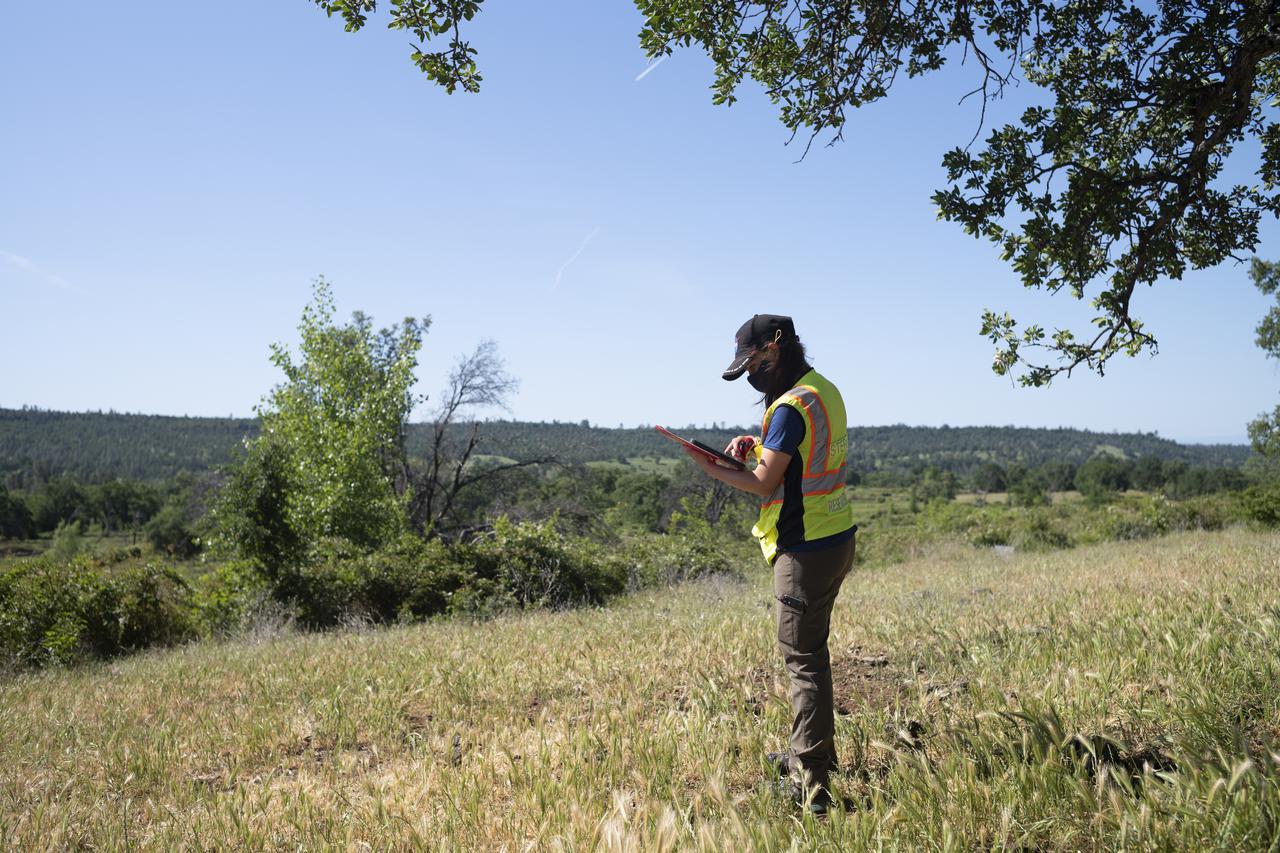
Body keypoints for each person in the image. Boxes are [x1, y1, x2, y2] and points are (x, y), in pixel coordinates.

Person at [681, 313, 856, 815]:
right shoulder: (821, 391)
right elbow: (801, 459)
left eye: (751, 364)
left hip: (805, 549)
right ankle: (815, 753)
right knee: (813, 657)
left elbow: (762, 484)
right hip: (837, 537)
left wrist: (709, 466)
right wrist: (756, 448)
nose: (750, 375)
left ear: (773, 351)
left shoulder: (787, 408)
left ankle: (814, 786)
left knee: (803, 664)